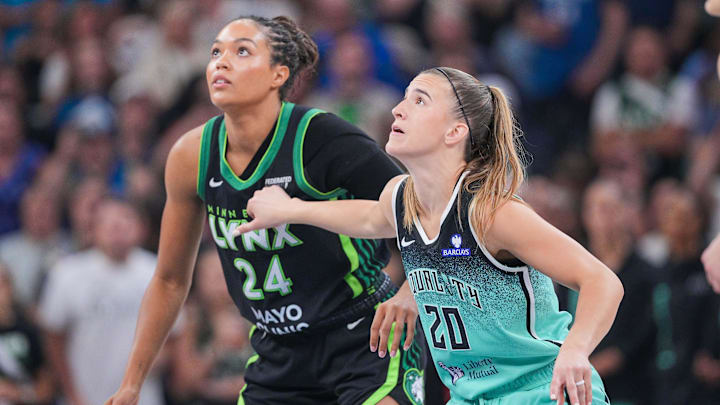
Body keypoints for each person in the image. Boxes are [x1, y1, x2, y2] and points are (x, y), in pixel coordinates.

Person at [236, 67, 624, 405]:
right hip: (470, 396)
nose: (397, 109)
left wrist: (575, 349)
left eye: (419, 101)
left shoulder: (491, 213)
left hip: (541, 391)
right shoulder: (402, 197)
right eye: (404, 98)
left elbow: (602, 282)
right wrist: (290, 210)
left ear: (455, 131)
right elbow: (370, 218)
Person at [105, 15, 425, 405]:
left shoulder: (323, 138)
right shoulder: (190, 156)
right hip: (278, 352)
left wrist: (412, 290)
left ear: (278, 74)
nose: (221, 62)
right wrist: (131, 383)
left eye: (241, 51)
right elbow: (170, 280)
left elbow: (428, 212)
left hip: (363, 336)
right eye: (216, 52)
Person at [39, 197, 178, 405]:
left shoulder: (159, 272)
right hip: (83, 396)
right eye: (108, 222)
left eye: (126, 219)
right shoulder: (66, 273)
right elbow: (53, 338)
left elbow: (177, 333)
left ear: (142, 228)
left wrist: (159, 358)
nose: (117, 227)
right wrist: (71, 393)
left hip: (143, 397)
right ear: (92, 229)